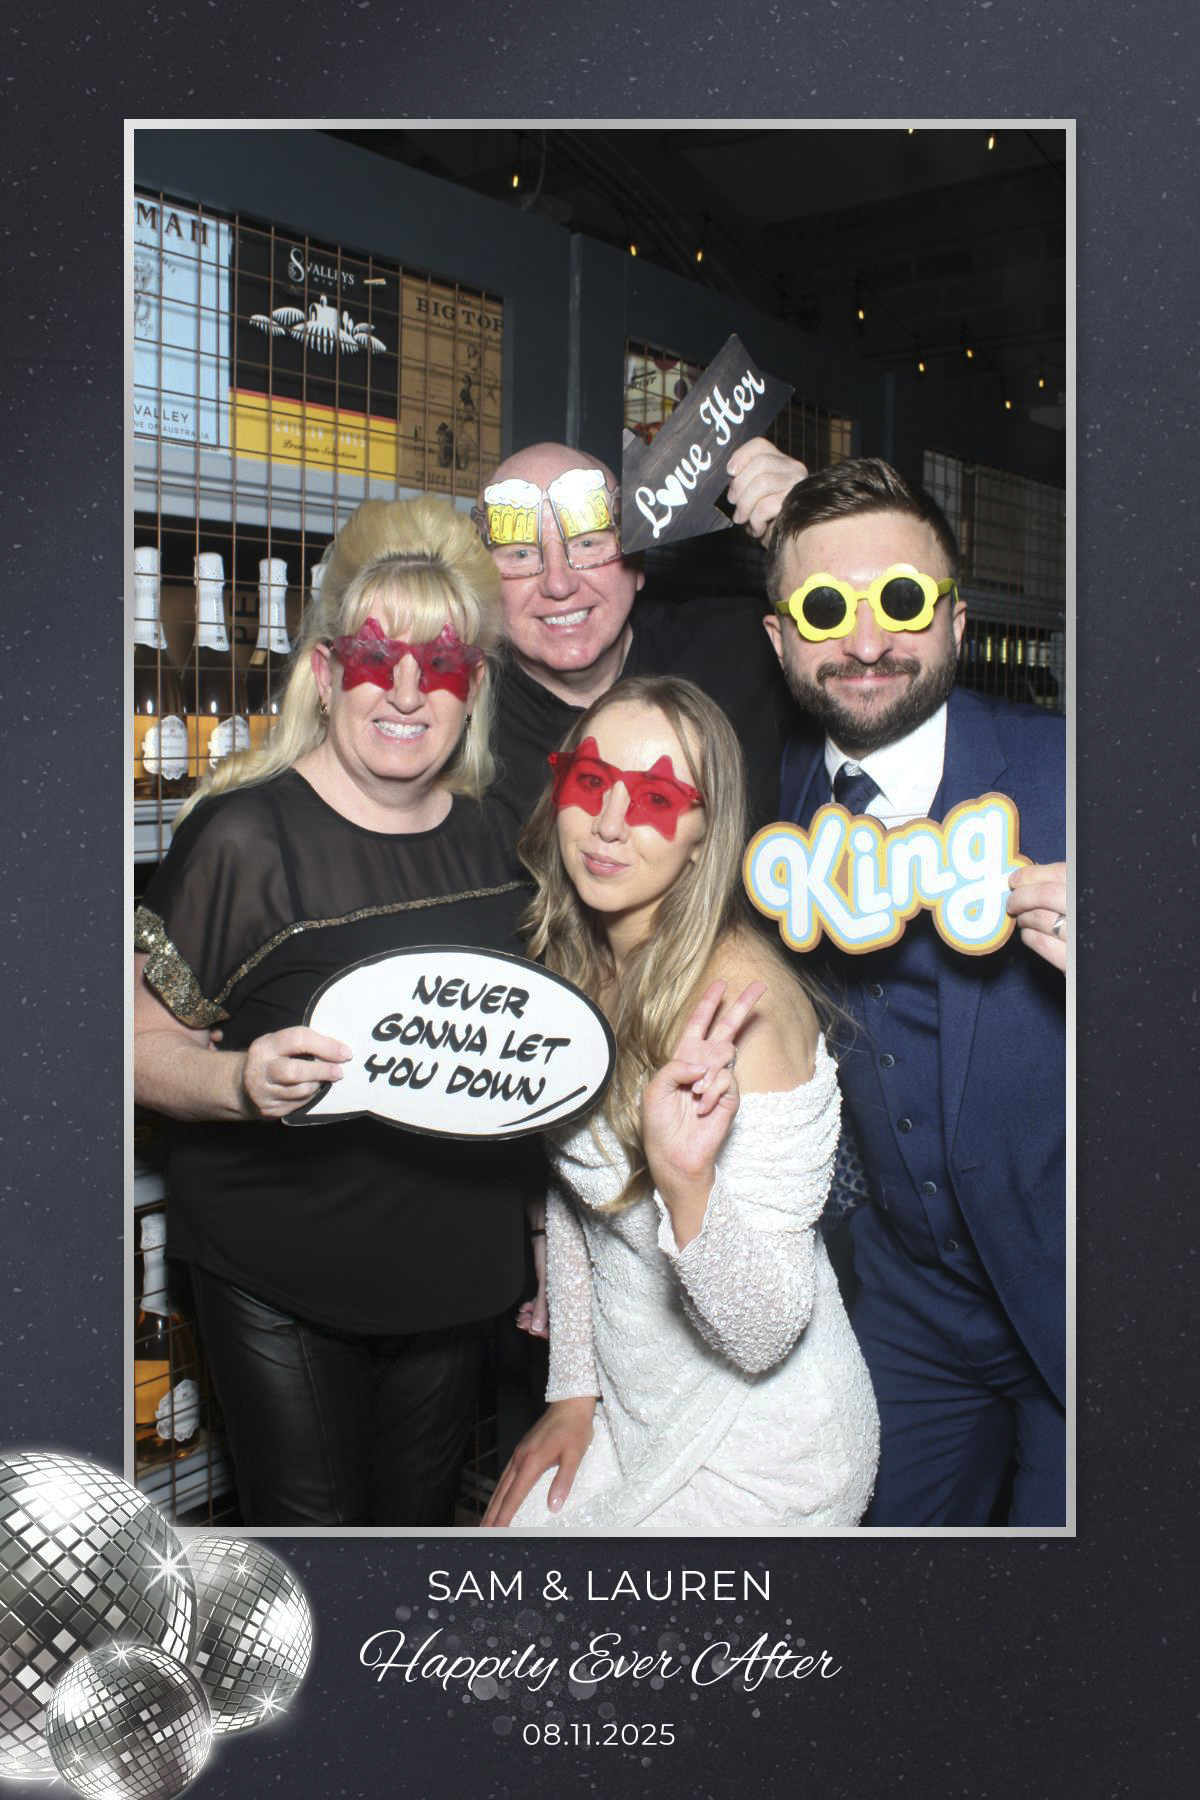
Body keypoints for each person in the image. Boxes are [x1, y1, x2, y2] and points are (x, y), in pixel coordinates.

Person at [133, 496, 542, 1528]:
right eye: (375, 656)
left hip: (453, 1270)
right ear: (324, 672)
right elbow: (138, 1046)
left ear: (474, 688)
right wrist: (236, 1079)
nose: (407, 690)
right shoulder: (242, 838)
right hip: (280, 1267)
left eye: (441, 663)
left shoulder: (497, 839)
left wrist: (542, 1231)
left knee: (410, 1543)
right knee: (313, 1542)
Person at [481, 675, 880, 1529]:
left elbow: (767, 1329)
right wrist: (573, 1391)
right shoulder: (574, 958)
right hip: (629, 1405)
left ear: (706, 836)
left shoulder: (746, 1009)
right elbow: (581, 1197)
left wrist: (685, 1184)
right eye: (590, 781)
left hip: (761, 1449)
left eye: (657, 797)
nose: (612, 822)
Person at [762, 456, 1067, 1527]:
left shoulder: (1087, 778)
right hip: (904, 1307)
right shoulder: (790, 790)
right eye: (823, 607)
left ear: (956, 623)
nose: (866, 641)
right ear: (779, 639)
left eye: (901, 600)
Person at [474, 439, 803, 828]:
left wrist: (809, 536)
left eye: (588, 542)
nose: (558, 584)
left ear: (639, 560)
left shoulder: (745, 651)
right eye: (520, 553)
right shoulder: (454, 715)